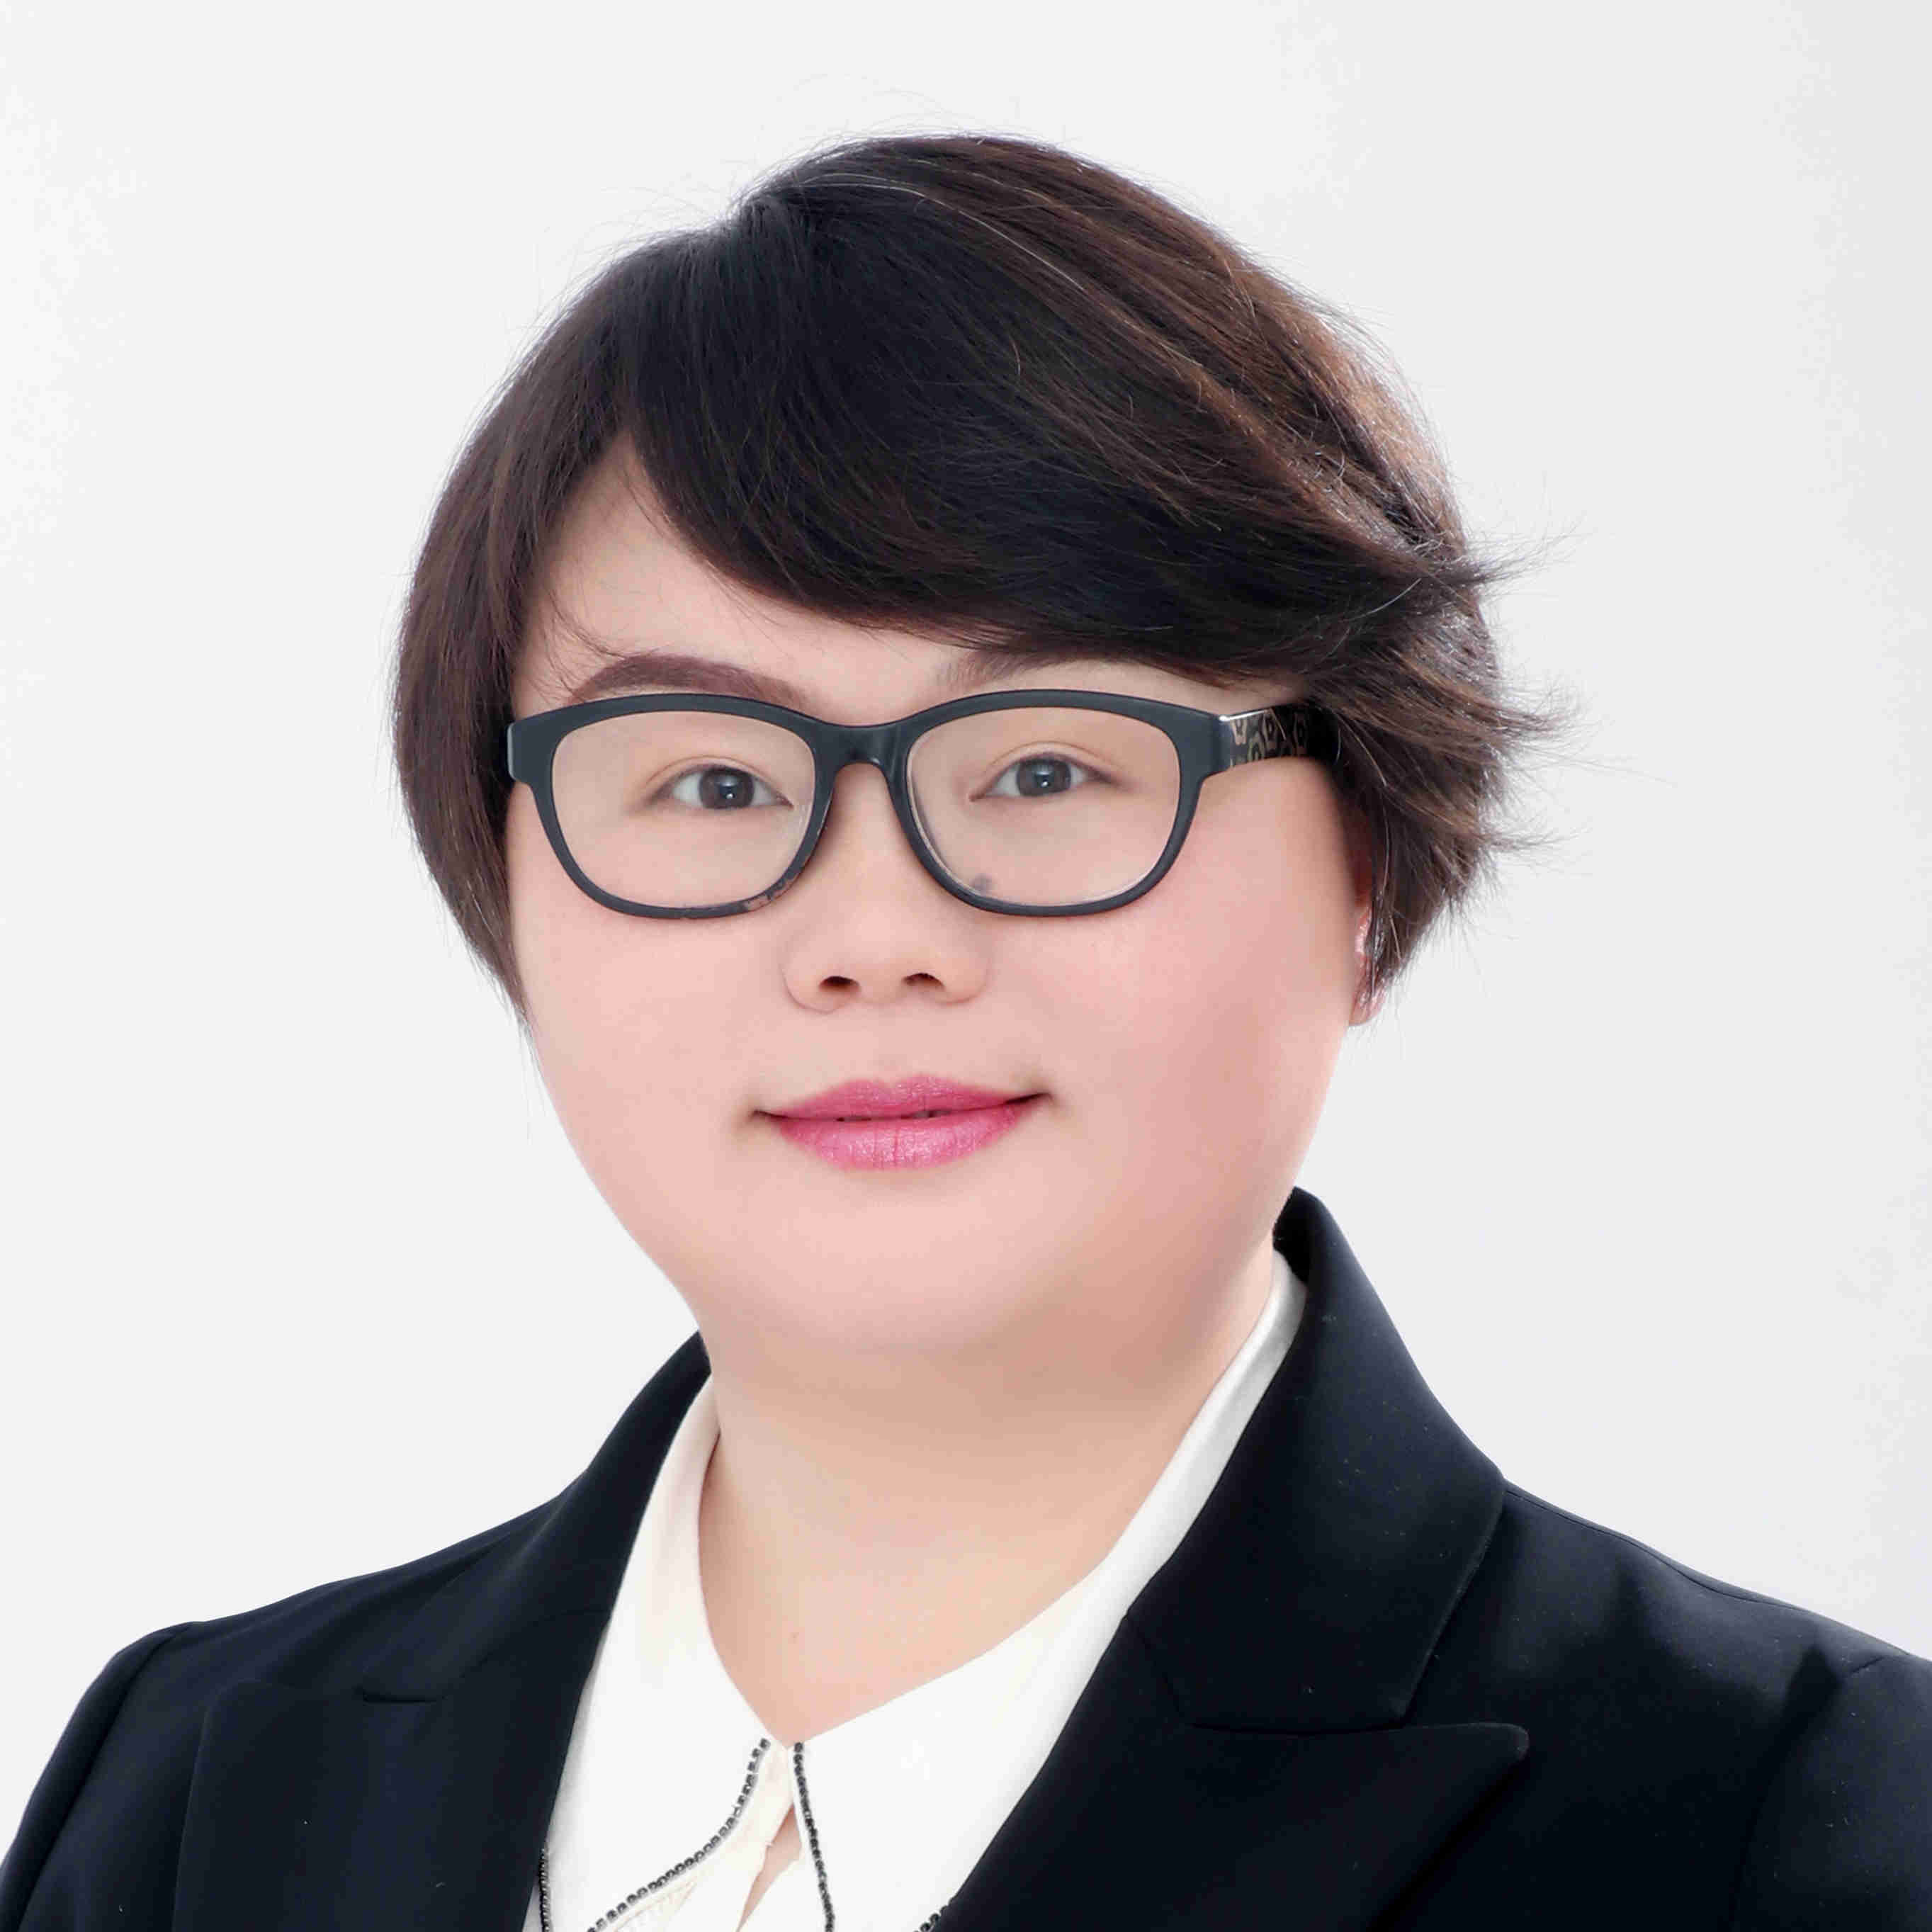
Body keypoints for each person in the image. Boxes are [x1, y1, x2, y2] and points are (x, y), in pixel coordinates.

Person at [4, 130, 1927, 1932]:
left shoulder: (1801, 1827)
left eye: (1047, 766)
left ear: (1370, 854)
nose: (875, 939)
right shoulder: (192, 1794)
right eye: (712, 783)